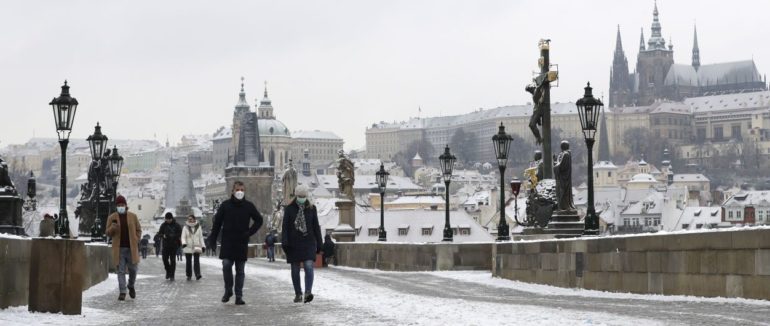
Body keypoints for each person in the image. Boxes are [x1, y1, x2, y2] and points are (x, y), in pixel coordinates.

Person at [207, 181, 263, 305]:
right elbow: (217, 224)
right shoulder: (225, 205)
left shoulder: (248, 206)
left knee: (240, 270)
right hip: (227, 242)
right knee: (226, 265)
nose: (240, 192)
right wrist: (212, 239)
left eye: (242, 190)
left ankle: (239, 295)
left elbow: (259, 220)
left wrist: (249, 232)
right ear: (232, 191)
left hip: (241, 242)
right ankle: (228, 290)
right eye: (238, 189)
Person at [282, 184, 322, 304]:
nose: (302, 198)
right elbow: (285, 228)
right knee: (295, 269)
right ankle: (298, 293)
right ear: (296, 196)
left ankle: (308, 292)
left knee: (309, 266)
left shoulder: (311, 208)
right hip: (293, 243)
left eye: (304, 196)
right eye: (300, 196)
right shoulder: (289, 209)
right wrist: (285, 242)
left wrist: (320, 243)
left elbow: (316, 227)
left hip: (308, 242)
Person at [105, 195, 142, 301]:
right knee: (120, 271)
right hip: (119, 249)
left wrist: (136, 239)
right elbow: (107, 233)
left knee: (133, 270)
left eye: (122, 205)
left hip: (131, 248)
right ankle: (122, 292)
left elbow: (138, 230)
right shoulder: (112, 217)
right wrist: (112, 227)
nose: (121, 206)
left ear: (126, 205)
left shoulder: (133, 216)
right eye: (119, 205)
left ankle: (131, 285)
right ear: (116, 206)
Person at [158, 212, 182, 281]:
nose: (168, 220)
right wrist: (163, 235)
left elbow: (180, 233)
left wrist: (173, 236)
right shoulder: (163, 225)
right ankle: (168, 271)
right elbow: (159, 233)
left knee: (173, 260)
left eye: (169, 219)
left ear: (171, 218)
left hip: (174, 245)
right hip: (165, 245)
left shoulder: (177, 225)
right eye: (166, 219)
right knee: (164, 259)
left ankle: (172, 275)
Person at [181, 214, 205, 281]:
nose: (189, 220)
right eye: (188, 219)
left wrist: (203, 246)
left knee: (196, 261)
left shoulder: (198, 227)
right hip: (188, 246)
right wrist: (184, 243)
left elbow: (201, 237)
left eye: (191, 219)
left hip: (196, 246)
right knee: (188, 262)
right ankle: (189, 275)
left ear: (194, 219)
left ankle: (197, 274)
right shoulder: (185, 227)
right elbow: (183, 236)